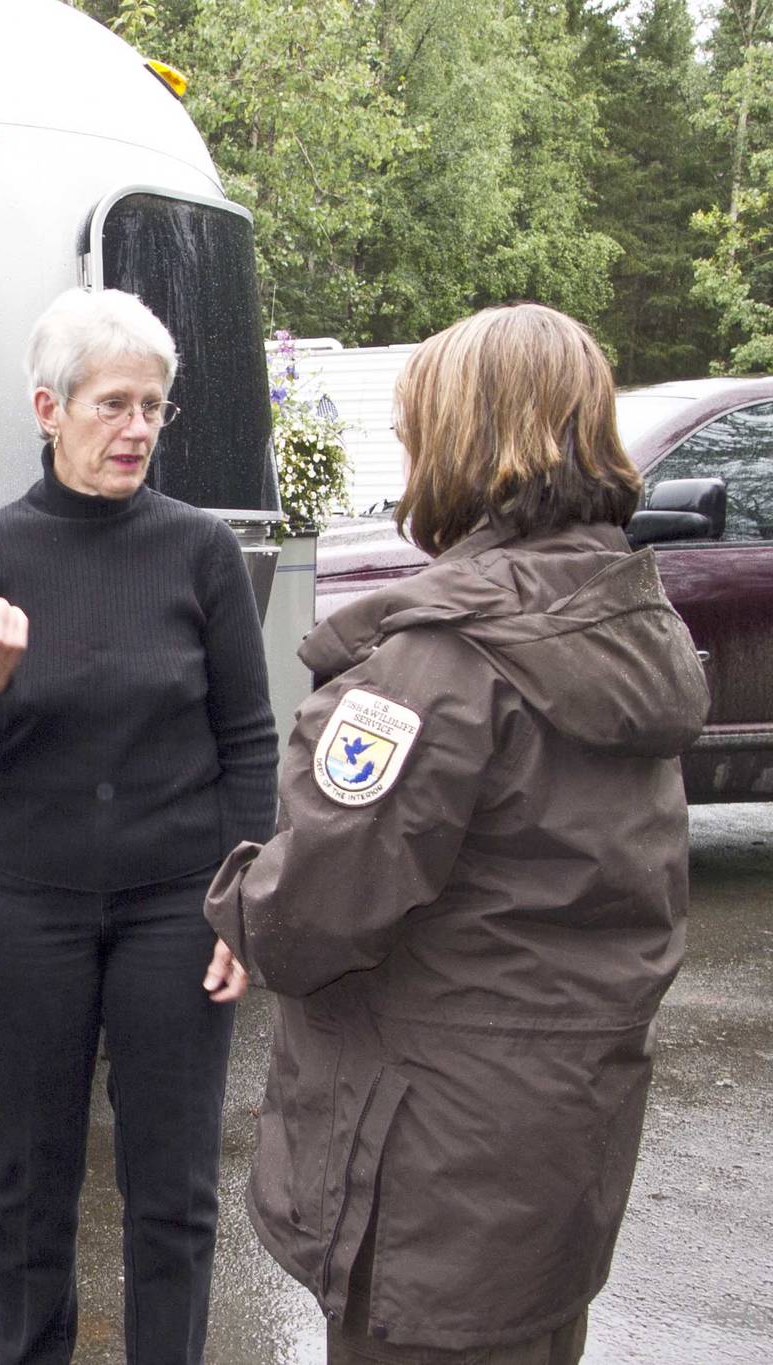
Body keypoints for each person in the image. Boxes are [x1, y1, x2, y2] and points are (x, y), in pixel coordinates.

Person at [205, 303, 710, 1364]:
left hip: (433, 1179)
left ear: (461, 440)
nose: (402, 449)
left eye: (411, 426)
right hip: (553, 1152)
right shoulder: (629, 621)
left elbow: (307, 919)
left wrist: (234, 893)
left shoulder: (442, 665)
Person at [0, 287, 278, 1365]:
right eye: (111, 404)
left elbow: (247, 739)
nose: (135, 430)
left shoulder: (198, 550)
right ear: (47, 408)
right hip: (25, 907)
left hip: (175, 905)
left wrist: (239, 904)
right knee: (28, 1185)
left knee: (172, 1187)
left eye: (152, 407)